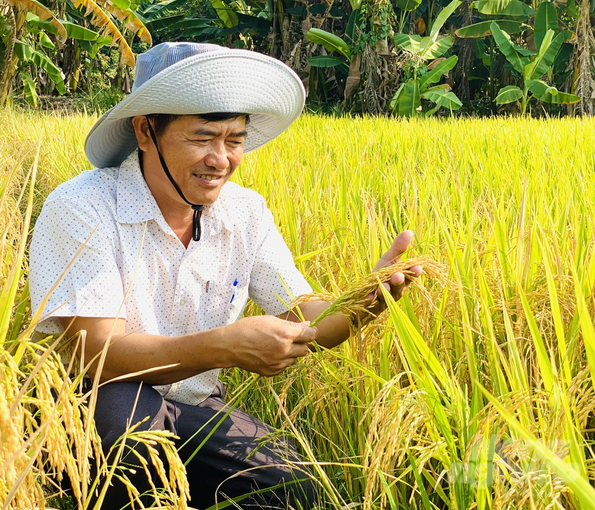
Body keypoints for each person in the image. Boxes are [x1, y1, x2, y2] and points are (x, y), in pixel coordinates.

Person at [29, 42, 422, 509]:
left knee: (290, 486)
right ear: (144, 130)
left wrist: (362, 303)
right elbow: (100, 356)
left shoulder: (245, 213)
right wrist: (225, 346)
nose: (221, 159)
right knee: (134, 451)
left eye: (234, 140)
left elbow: (308, 319)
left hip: (194, 404)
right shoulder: (83, 206)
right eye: (202, 137)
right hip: (96, 404)